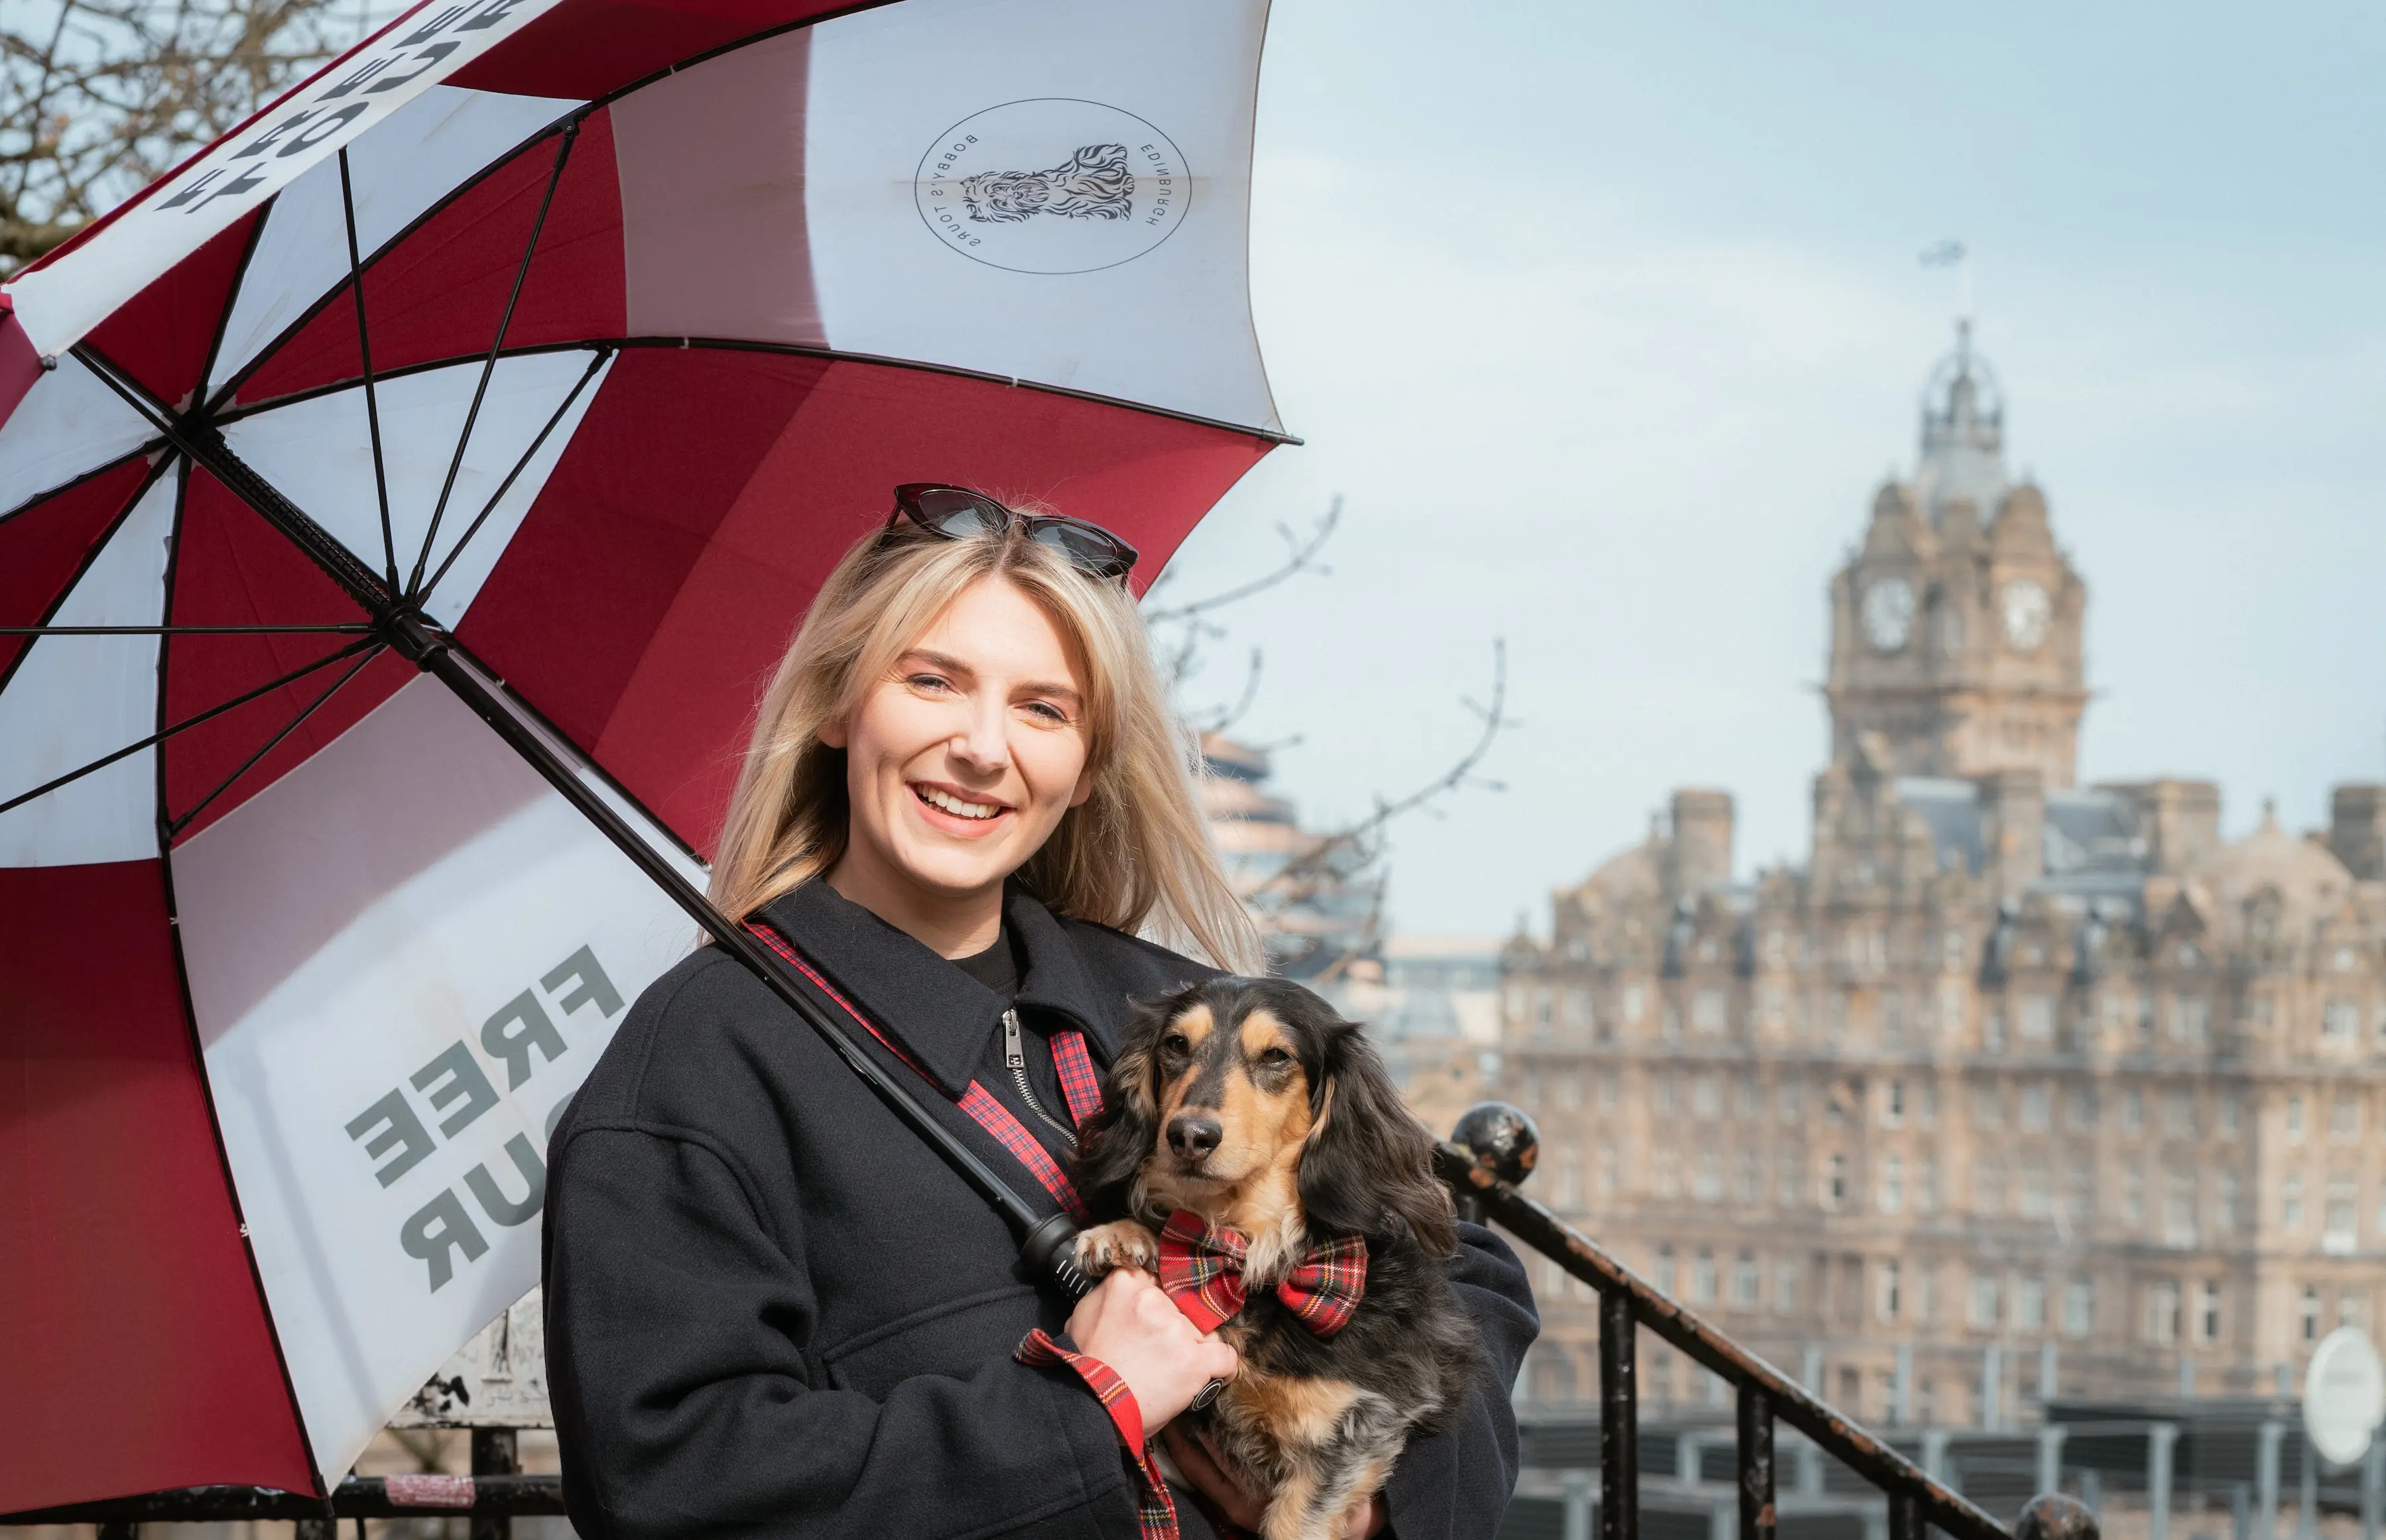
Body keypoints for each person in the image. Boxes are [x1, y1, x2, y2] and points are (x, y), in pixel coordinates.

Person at [543, 485, 1537, 1539]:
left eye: (1042, 707)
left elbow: (1464, 1267)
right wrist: (1081, 1408)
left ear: (1088, 766)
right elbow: (675, 1485)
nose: (981, 746)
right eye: (931, 681)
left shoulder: (1162, 1004)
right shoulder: (695, 1065)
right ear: (838, 706)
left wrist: (1374, 1491)